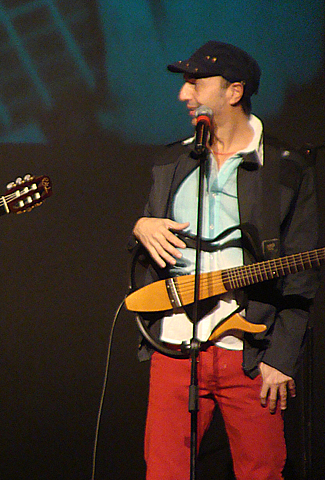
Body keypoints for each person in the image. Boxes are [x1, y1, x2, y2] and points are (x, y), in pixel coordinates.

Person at [131, 40, 319, 479]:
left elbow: (303, 271)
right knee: (164, 471)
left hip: (250, 350)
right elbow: (148, 247)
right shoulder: (172, 160)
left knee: (262, 471)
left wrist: (282, 357)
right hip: (176, 346)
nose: (184, 94)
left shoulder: (285, 167)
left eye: (196, 82)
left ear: (234, 92)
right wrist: (142, 227)